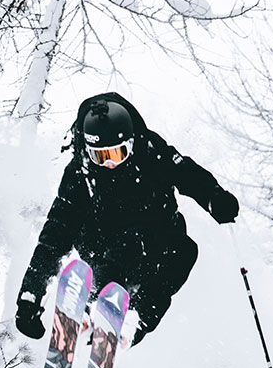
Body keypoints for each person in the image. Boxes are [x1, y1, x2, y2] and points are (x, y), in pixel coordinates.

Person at [14, 92, 238, 345]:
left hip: (158, 240)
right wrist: (30, 295)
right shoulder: (79, 173)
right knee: (120, 253)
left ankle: (135, 319)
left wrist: (214, 198)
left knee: (185, 251)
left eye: (117, 154)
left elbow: (187, 174)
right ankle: (94, 308)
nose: (109, 163)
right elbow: (55, 233)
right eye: (100, 156)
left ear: (131, 143)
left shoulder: (152, 152)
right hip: (105, 249)